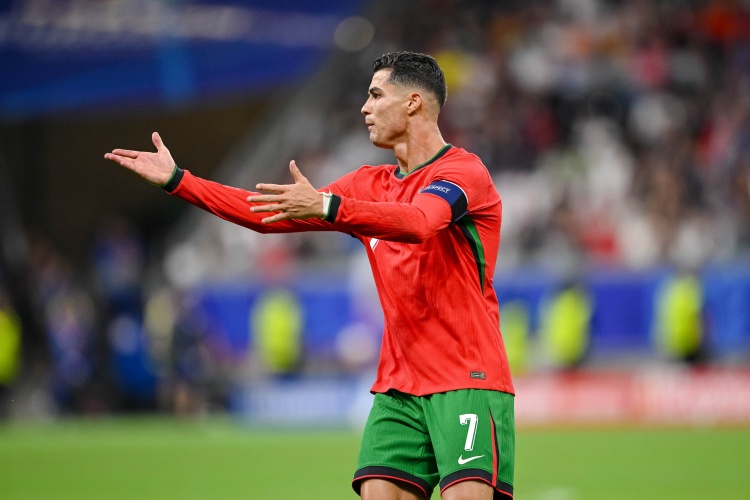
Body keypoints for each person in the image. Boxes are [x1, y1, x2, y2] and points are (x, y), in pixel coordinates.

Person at [105, 51, 515, 500]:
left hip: (466, 379)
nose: (365, 107)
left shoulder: (463, 172)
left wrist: (329, 206)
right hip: (399, 388)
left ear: (413, 102)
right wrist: (179, 180)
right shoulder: (366, 185)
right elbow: (264, 216)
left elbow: (419, 221)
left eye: (376, 95)